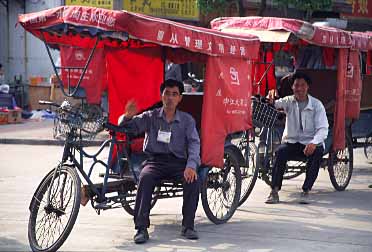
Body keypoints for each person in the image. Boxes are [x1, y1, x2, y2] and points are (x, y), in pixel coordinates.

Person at [118, 79, 201, 244]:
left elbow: (194, 143)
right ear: (161, 96)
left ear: (180, 98)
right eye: (167, 94)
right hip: (155, 162)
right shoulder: (151, 116)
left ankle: (188, 226)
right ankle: (141, 228)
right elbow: (127, 127)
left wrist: (191, 165)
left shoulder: (187, 120)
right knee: (145, 178)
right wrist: (127, 116)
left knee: (193, 180)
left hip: (179, 162)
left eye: (174, 94)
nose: (170, 98)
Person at [265, 72, 328, 204]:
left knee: (316, 153)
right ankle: (274, 190)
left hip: (310, 143)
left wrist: (314, 143)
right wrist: (270, 97)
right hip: (292, 142)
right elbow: (275, 103)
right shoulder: (289, 101)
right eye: (296, 85)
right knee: (280, 152)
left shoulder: (317, 105)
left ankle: (306, 190)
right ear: (292, 87)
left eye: (302, 85)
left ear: (308, 87)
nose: (299, 88)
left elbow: (323, 129)